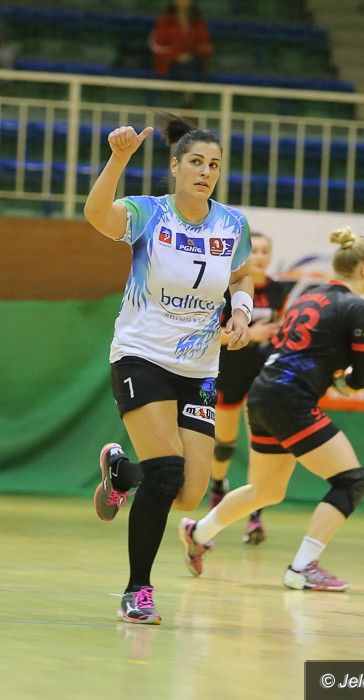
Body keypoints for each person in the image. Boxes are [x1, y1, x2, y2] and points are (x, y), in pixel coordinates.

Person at [84, 111, 253, 624]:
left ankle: (121, 472)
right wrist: (117, 160)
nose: (205, 172)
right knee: (165, 472)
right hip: (142, 355)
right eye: (196, 162)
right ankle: (137, 591)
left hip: (199, 368)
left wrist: (242, 312)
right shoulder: (148, 213)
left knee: (188, 493)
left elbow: (241, 275)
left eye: (213, 165)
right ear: (175, 166)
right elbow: (97, 215)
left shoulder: (232, 224)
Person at [178, 226, 364, 590]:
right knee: (352, 481)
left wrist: (337, 375)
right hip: (291, 401)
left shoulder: (308, 297)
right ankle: (303, 567)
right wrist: (349, 383)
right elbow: (360, 379)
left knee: (266, 490)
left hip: (262, 393)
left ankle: (198, 533)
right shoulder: (358, 308)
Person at [210, 232, 290, 544]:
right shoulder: (226, 288)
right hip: (230, 372)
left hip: (263, 377)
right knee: (224, 445)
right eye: (254, 251)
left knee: (262, 447)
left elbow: (283, 329)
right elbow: (212, 335)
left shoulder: (278, 290)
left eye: (265, 251)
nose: (260, 256)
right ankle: (218, 489)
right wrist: (250, 335)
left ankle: (256, 516)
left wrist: (277, 336)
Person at [149, 0, 212, 81]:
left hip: (193, 63)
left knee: (191, 68)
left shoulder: (199, 21)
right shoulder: (164, 19)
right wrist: (177, 56)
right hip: (169, 64)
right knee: (182, 70)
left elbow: (205, 46)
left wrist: (190, 55)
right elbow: (158, 46)